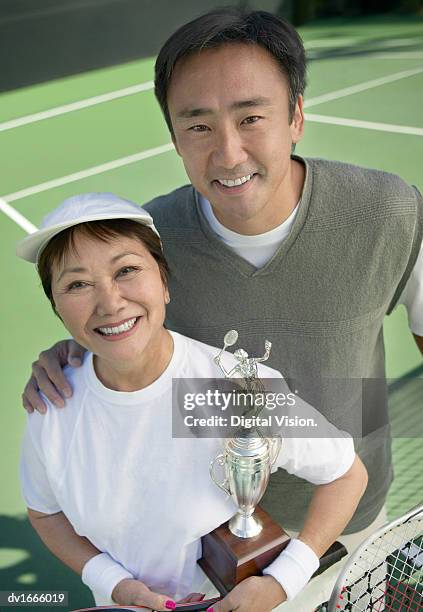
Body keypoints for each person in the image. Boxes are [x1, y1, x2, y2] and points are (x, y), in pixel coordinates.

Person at [21, 6, 422, 606]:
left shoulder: (390, 213)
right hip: (207, 549)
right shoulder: (152, 241)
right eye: (199, 125)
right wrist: (73, 351)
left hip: (345, 516)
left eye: (251, 117)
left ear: (296, 116)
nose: (229, 154)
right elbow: (121, 326)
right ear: (176, 138)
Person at [16, 192, 367, 612]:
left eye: (126, 270)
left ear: (164, 283)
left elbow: (346, 475)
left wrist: (281, 582)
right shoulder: (52, 406)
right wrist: (116, 586)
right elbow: (45, 514)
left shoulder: (236, 387)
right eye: (77, 284)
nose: (110, 303)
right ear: (57, 307)